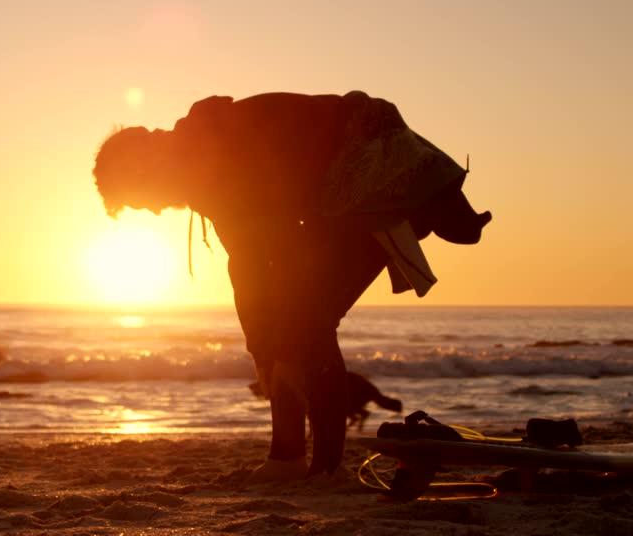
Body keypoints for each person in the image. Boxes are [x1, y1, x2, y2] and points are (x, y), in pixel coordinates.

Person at [93, 91, 490, 480]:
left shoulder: (208, 153)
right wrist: (263, 352)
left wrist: (272, 351)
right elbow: (247, 264)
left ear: (143, 168)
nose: (156, 209)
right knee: (291, 329)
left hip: (379, 168)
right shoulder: (200, 155)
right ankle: (288, 458)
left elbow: (265, 253)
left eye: (142, 201)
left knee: (306, 323)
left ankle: (326, 468)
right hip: (349, 187)